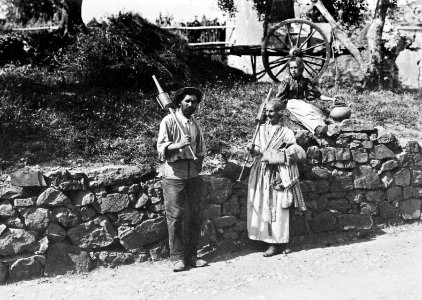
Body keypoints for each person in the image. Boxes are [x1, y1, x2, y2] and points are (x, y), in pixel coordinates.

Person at [157, 87, 207, 272]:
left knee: (194, 216)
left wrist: (199, 162)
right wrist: (178, 145)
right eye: (187, 101)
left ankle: (192, 256)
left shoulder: (194, 124)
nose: (191, 104)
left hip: (192, 174)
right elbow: (161, 148)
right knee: (176, 216)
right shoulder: (169, 120)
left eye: (194, 102)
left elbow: (201, 147)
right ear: (179, 102)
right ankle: (178, 258)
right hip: (174, 174)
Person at [247, 99, 306, 257]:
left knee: (279, 207)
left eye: (272, 111)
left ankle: (279, 242)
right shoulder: (260, 129)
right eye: (266, 111)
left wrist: (273, 156)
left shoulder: (286, 132)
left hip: (279, 173)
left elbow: (291, 153)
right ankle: (266, 240)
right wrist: (253, 150)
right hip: (260, 171)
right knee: (262, 204)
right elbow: (258, 150)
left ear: (280, 113)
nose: (268, 114)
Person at [275, 56, 337, 137]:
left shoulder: (305, 81)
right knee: (306, 112)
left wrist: (331, 99)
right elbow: (279, 98)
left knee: (314, 110)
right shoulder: (286, 82)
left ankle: (325, 128)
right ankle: (316, 128)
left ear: (300, 68)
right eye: (291, 68)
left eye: (295, 68)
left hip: (300, 102)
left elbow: (317, 95)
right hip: (290, 103)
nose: (293, 70)